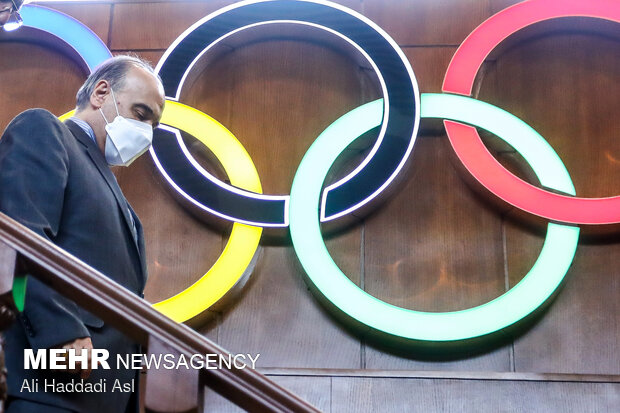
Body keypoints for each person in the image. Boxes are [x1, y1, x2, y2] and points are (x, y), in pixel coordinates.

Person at [0, 55, 164, 413]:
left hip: (107, 395)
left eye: (154, 124)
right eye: (141, 113)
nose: (146, 132)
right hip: (52, 385)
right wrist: (59, 332)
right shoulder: (45, 130)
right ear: (101, 93)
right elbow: (20, 238)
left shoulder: (117, 194)